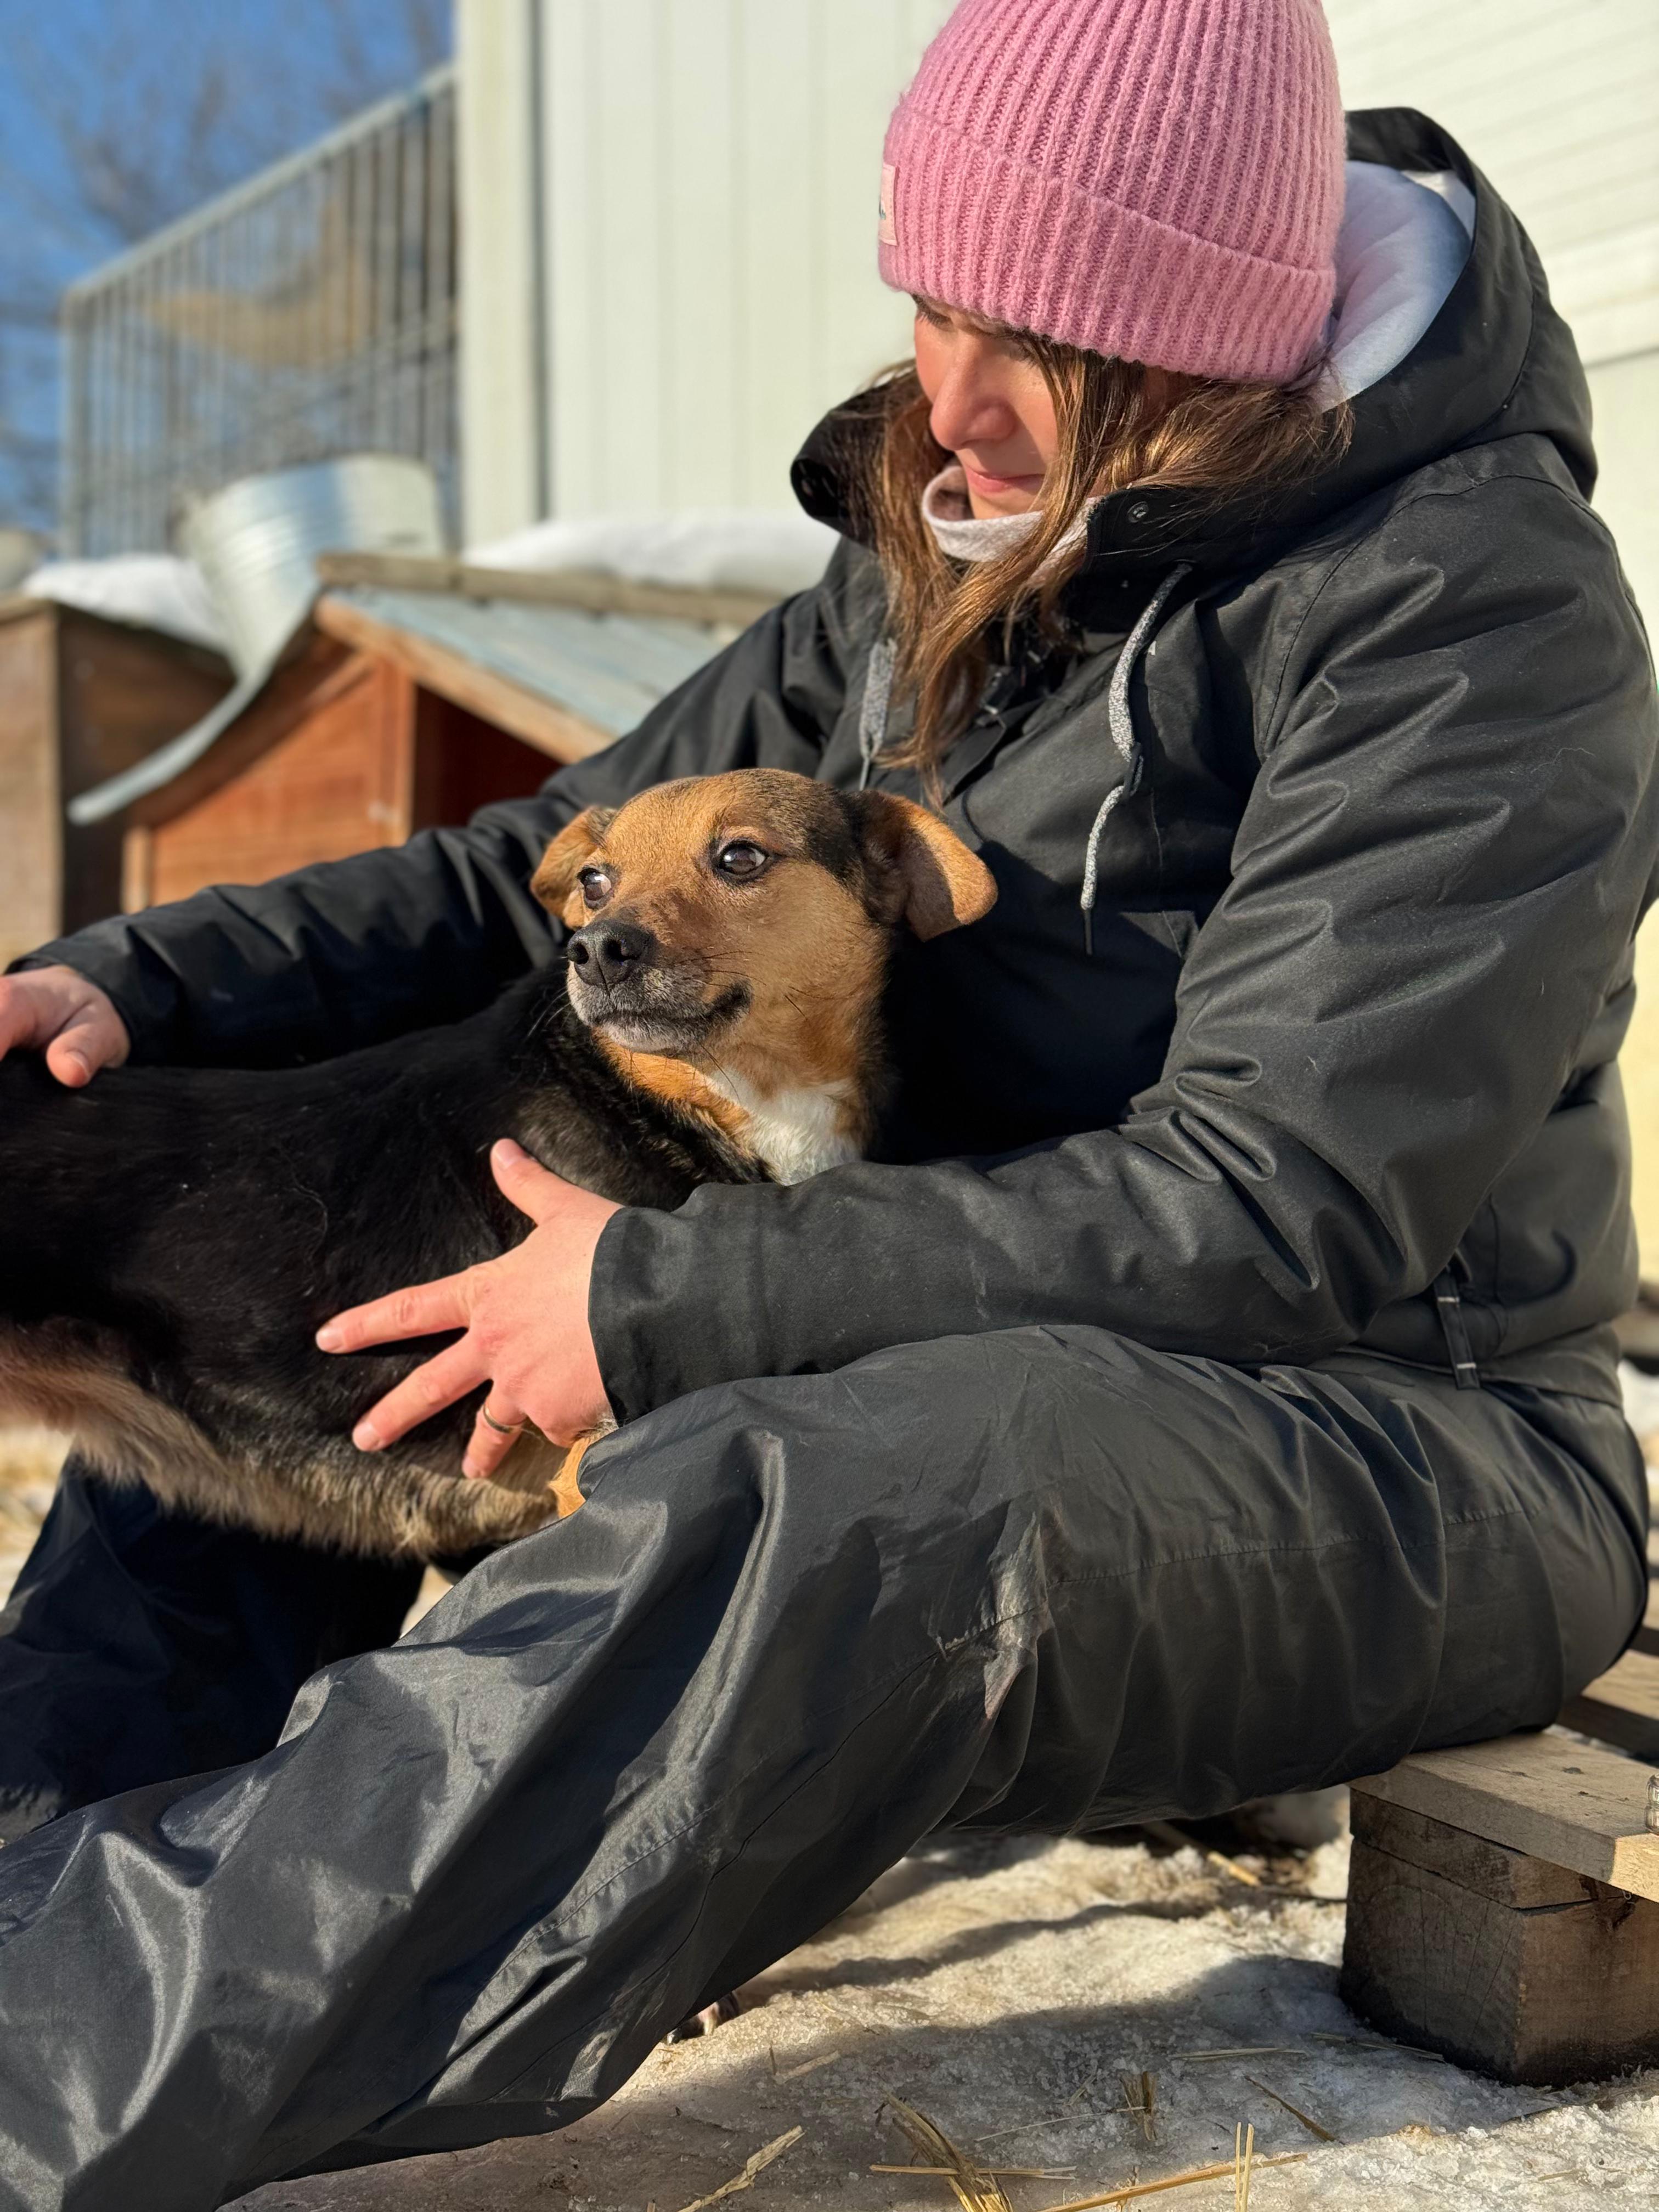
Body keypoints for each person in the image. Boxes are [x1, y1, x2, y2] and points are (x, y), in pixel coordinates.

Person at [0, 1, 1655, 2202]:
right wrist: (131, 984)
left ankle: (41, 2078)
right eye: (933, 301)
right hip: (974, 1331)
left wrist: (666, 1299)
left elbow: (1285, 1208)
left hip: (1405, 1447)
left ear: (1218, 340)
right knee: (303, 1284)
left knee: (824, 1484)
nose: (945, 396)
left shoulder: (1467, 611)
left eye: (1041, 344)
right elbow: (549, 865)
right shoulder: (935, 543)